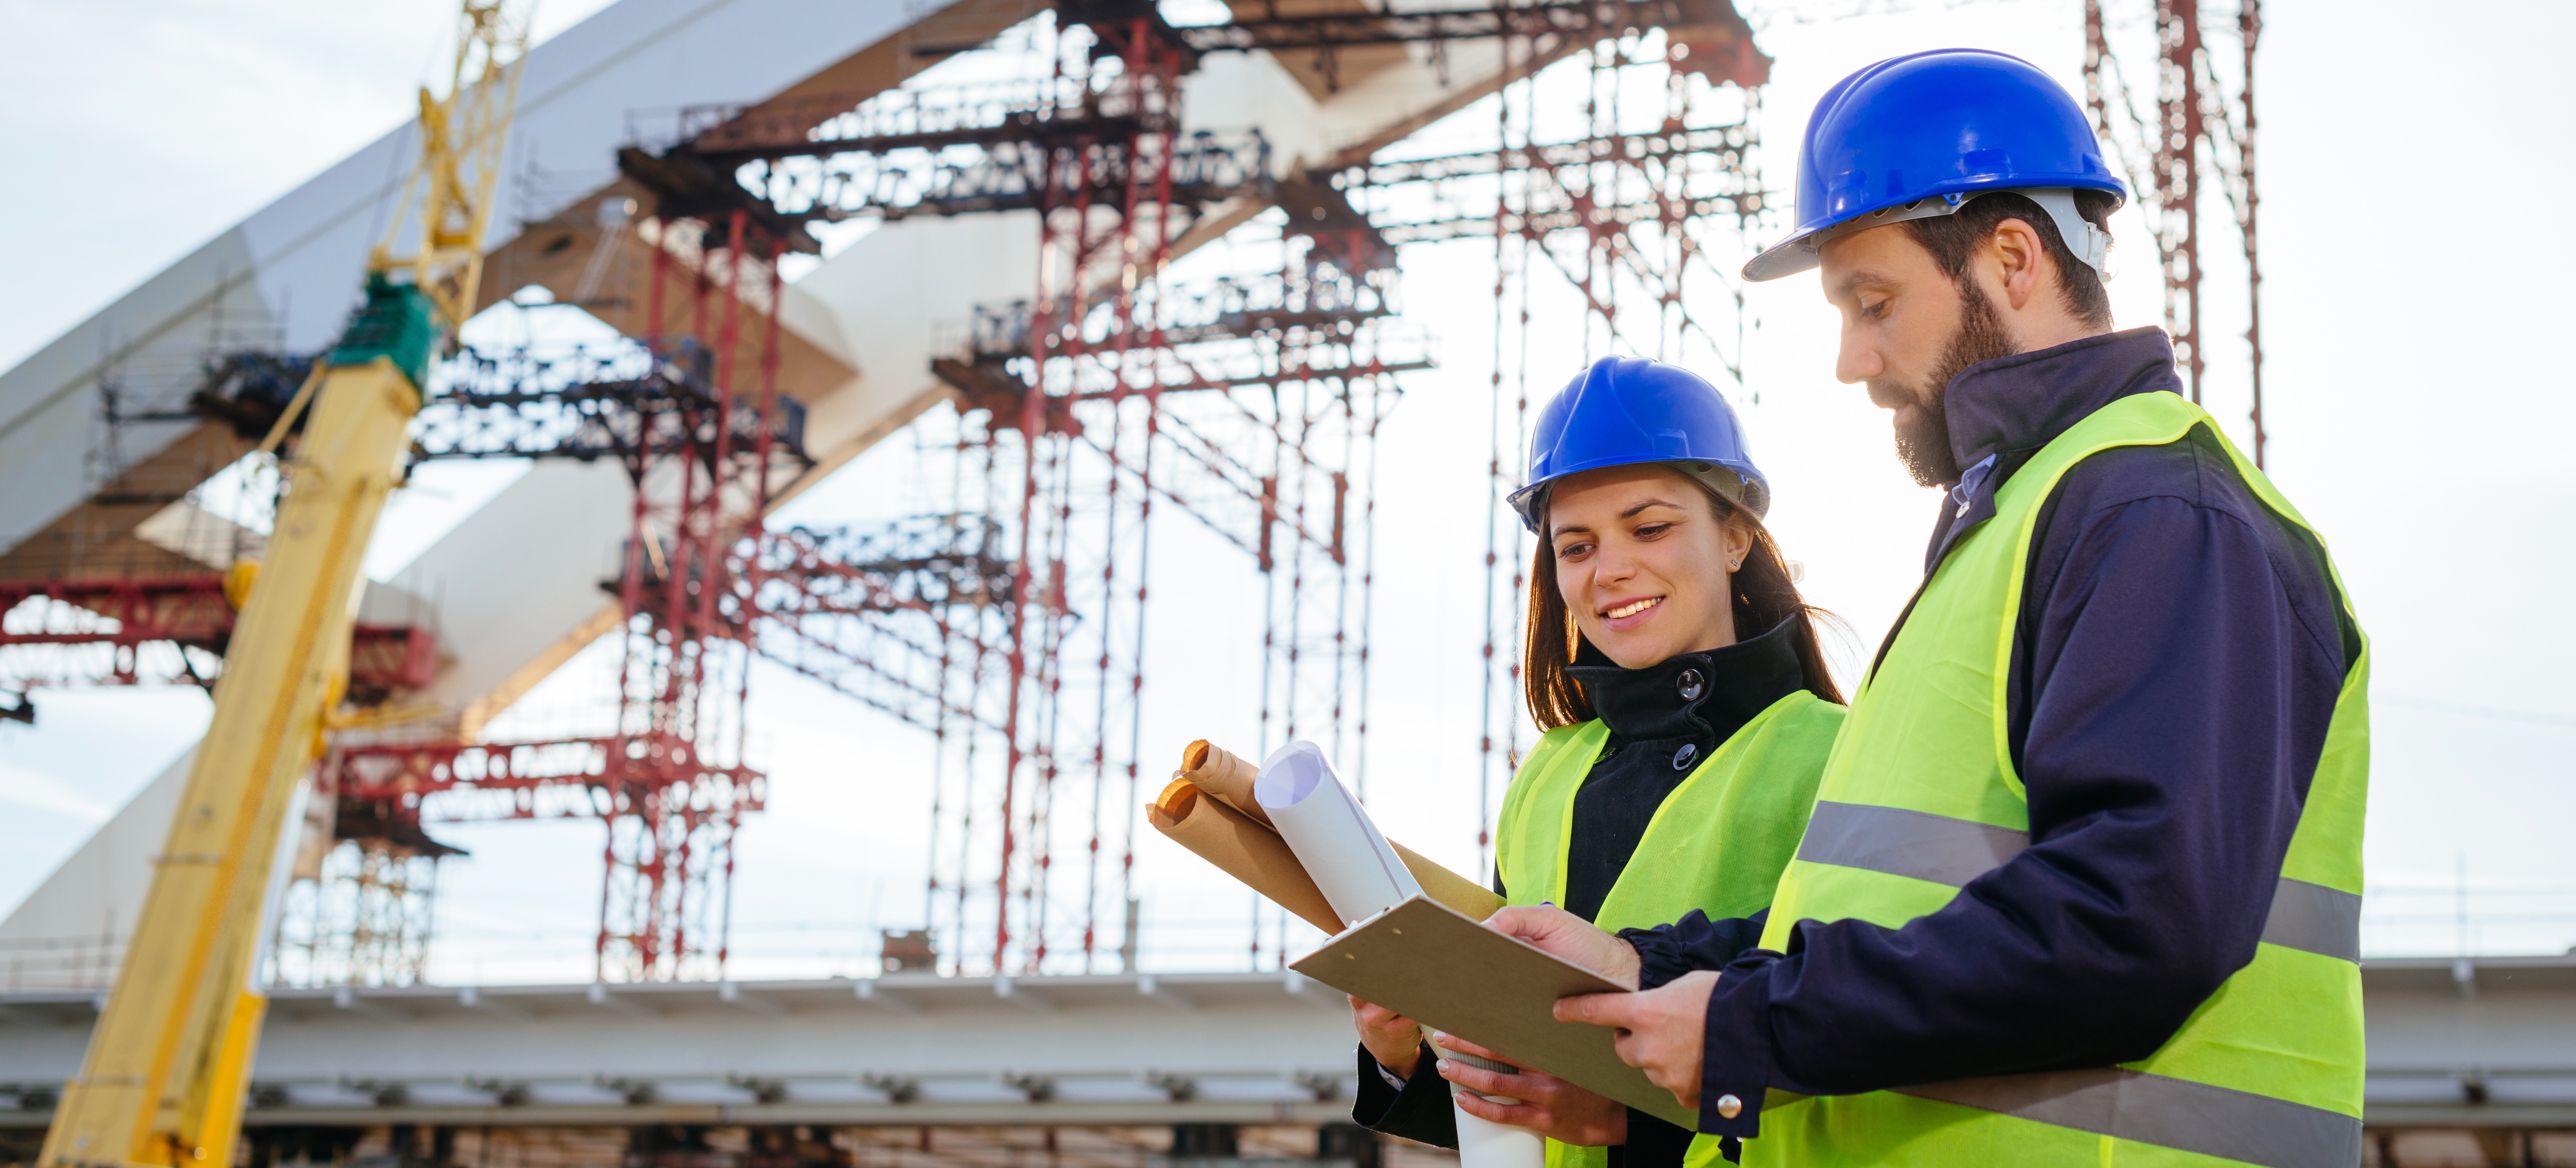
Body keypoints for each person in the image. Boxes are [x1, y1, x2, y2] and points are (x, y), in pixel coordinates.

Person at [1490, 48, 2370, 1167]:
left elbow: (2134, 920)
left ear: (2013, 258)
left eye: (1874, 303)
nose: (1852, 360)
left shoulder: (2161, 515)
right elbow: (1889, 914)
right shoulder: (2022, 531)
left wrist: (1753, 1024)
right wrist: (1645, 970)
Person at [1348, 357, 1849, 1168]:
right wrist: (1401, 1052)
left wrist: (1635, 1117)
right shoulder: (1545, 775)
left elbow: (1871, 1023)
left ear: (1734, 536)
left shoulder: (1834, 750)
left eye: (1647, 528)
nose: (1608, 569)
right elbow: (1518, 1088)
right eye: (1575, 545)